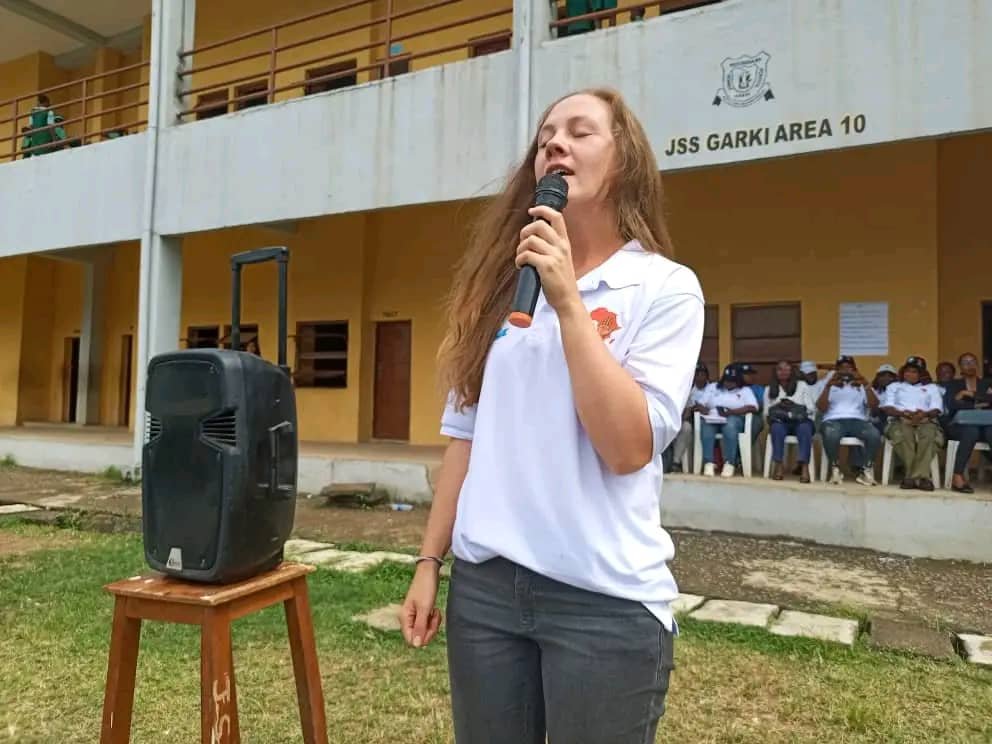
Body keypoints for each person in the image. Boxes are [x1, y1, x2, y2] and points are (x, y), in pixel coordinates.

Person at [400, 88, 703, 743]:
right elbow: (465, 440)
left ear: (625, 161)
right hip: (485, 594)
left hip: (602, 600)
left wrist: (567, 300)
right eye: (545, 137)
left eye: (580, 132)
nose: (555, 143)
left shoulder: (665, 288)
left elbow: (626, 447)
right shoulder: (504, 288)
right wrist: (429, 562)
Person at [880, 356, 944, 491]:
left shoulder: (932, 387)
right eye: (907, 371)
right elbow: (888, 408)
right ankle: (922, 478)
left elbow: (936, 409)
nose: (910, 374)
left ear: (922, 373)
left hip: (926, 420)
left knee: (930, 436)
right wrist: (903, 414)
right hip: (899, 420)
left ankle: (911, 477)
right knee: (904, 435)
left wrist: (924, 415)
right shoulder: (894, 386)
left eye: (914, 372)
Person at [816, 355, 881, 485]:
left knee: (874, 434)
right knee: (831, 434)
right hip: (833, 420)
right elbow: (821, 408)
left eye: (849, 368)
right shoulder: (827, 383)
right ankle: (835, 469)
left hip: (858, 421)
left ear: (854, 369)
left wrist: (866, 385)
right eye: (842, 368)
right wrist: (828, 386)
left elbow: (874, 405)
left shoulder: (861, 384)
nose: (845, 371)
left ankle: (865, 470)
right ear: (836, 370)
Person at [942, 352, 992, 493]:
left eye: (972, 362)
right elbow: (952, 405)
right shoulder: (953, 384)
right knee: (971, 431)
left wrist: (967, 394)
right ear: (960, 367)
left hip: (986, 425)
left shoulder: (987, 383)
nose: (969, 365)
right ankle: (957, 476)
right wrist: (979, 403)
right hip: (959, 426)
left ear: (977, 365)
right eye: (965, 362)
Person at [698, 364, 758, 477]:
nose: (728, 383)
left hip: (734, 417)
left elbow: (753, 407)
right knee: (706, 426)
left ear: (738, 380)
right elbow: (700, 403)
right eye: (726, 380)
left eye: (732, 381)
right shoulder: (713, 387)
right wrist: (704, 410)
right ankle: (709, 463)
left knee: (729, 426)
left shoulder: (745, 390)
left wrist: (731, 412)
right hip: (713, 417)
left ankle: (729, 463)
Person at [764, 360, 815, 482]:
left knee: (804, 429)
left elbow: (811, 408)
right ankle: (779, 465)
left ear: (792, 372)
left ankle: (804, 467)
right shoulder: (769, 389)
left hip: (801, 420)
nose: (783, 372)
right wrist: (779, 405)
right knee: (776, 428)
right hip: (781, 421)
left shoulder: (802, 385)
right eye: (780, 369)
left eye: (787, 369)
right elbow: (766, 412)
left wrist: (794, 406)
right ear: (775, 372)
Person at [670, 361, 714, 472]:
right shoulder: (688, 389)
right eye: (697, 374)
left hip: (709, 422)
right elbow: (686, 410)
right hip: (690, 420)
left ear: (707, 376)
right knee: (686, 428)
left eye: (702, 374)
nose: (700, 377)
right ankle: (675, 462)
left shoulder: (713, 388)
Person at [869, 363, 898, 435]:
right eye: (882, 376)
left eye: (890, 376)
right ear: (877, 378)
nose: (886, 378)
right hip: (875, 420)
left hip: (893, 420)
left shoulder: (899, 391)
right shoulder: (872, 390)